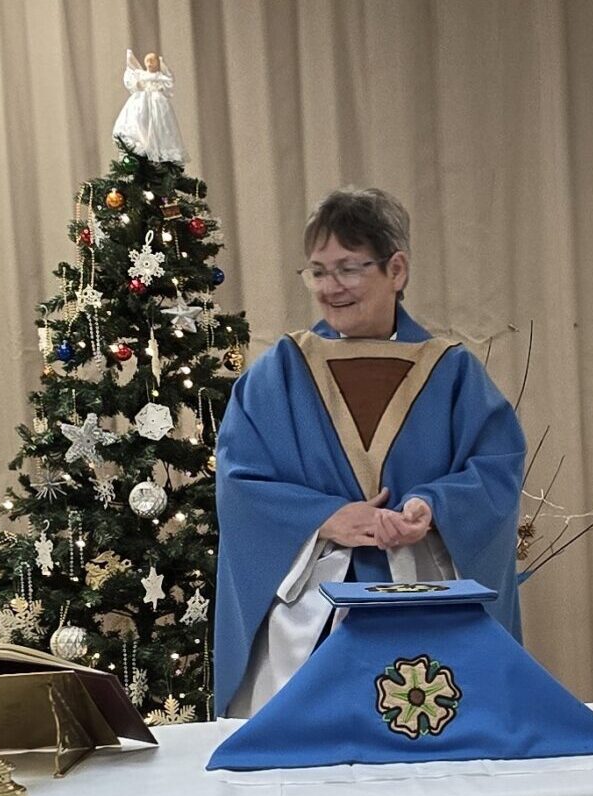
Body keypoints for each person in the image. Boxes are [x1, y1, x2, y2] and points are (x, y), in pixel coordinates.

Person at [212, 188, 526, 717]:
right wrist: (327, 517)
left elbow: (495, 470)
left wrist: (432, 508)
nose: (330, 288)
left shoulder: (451, 372)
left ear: (396, 270)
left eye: (348, 269)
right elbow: (239, 482)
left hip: (424, 602)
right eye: (317, 271)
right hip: (309, 619)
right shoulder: (279, 374)